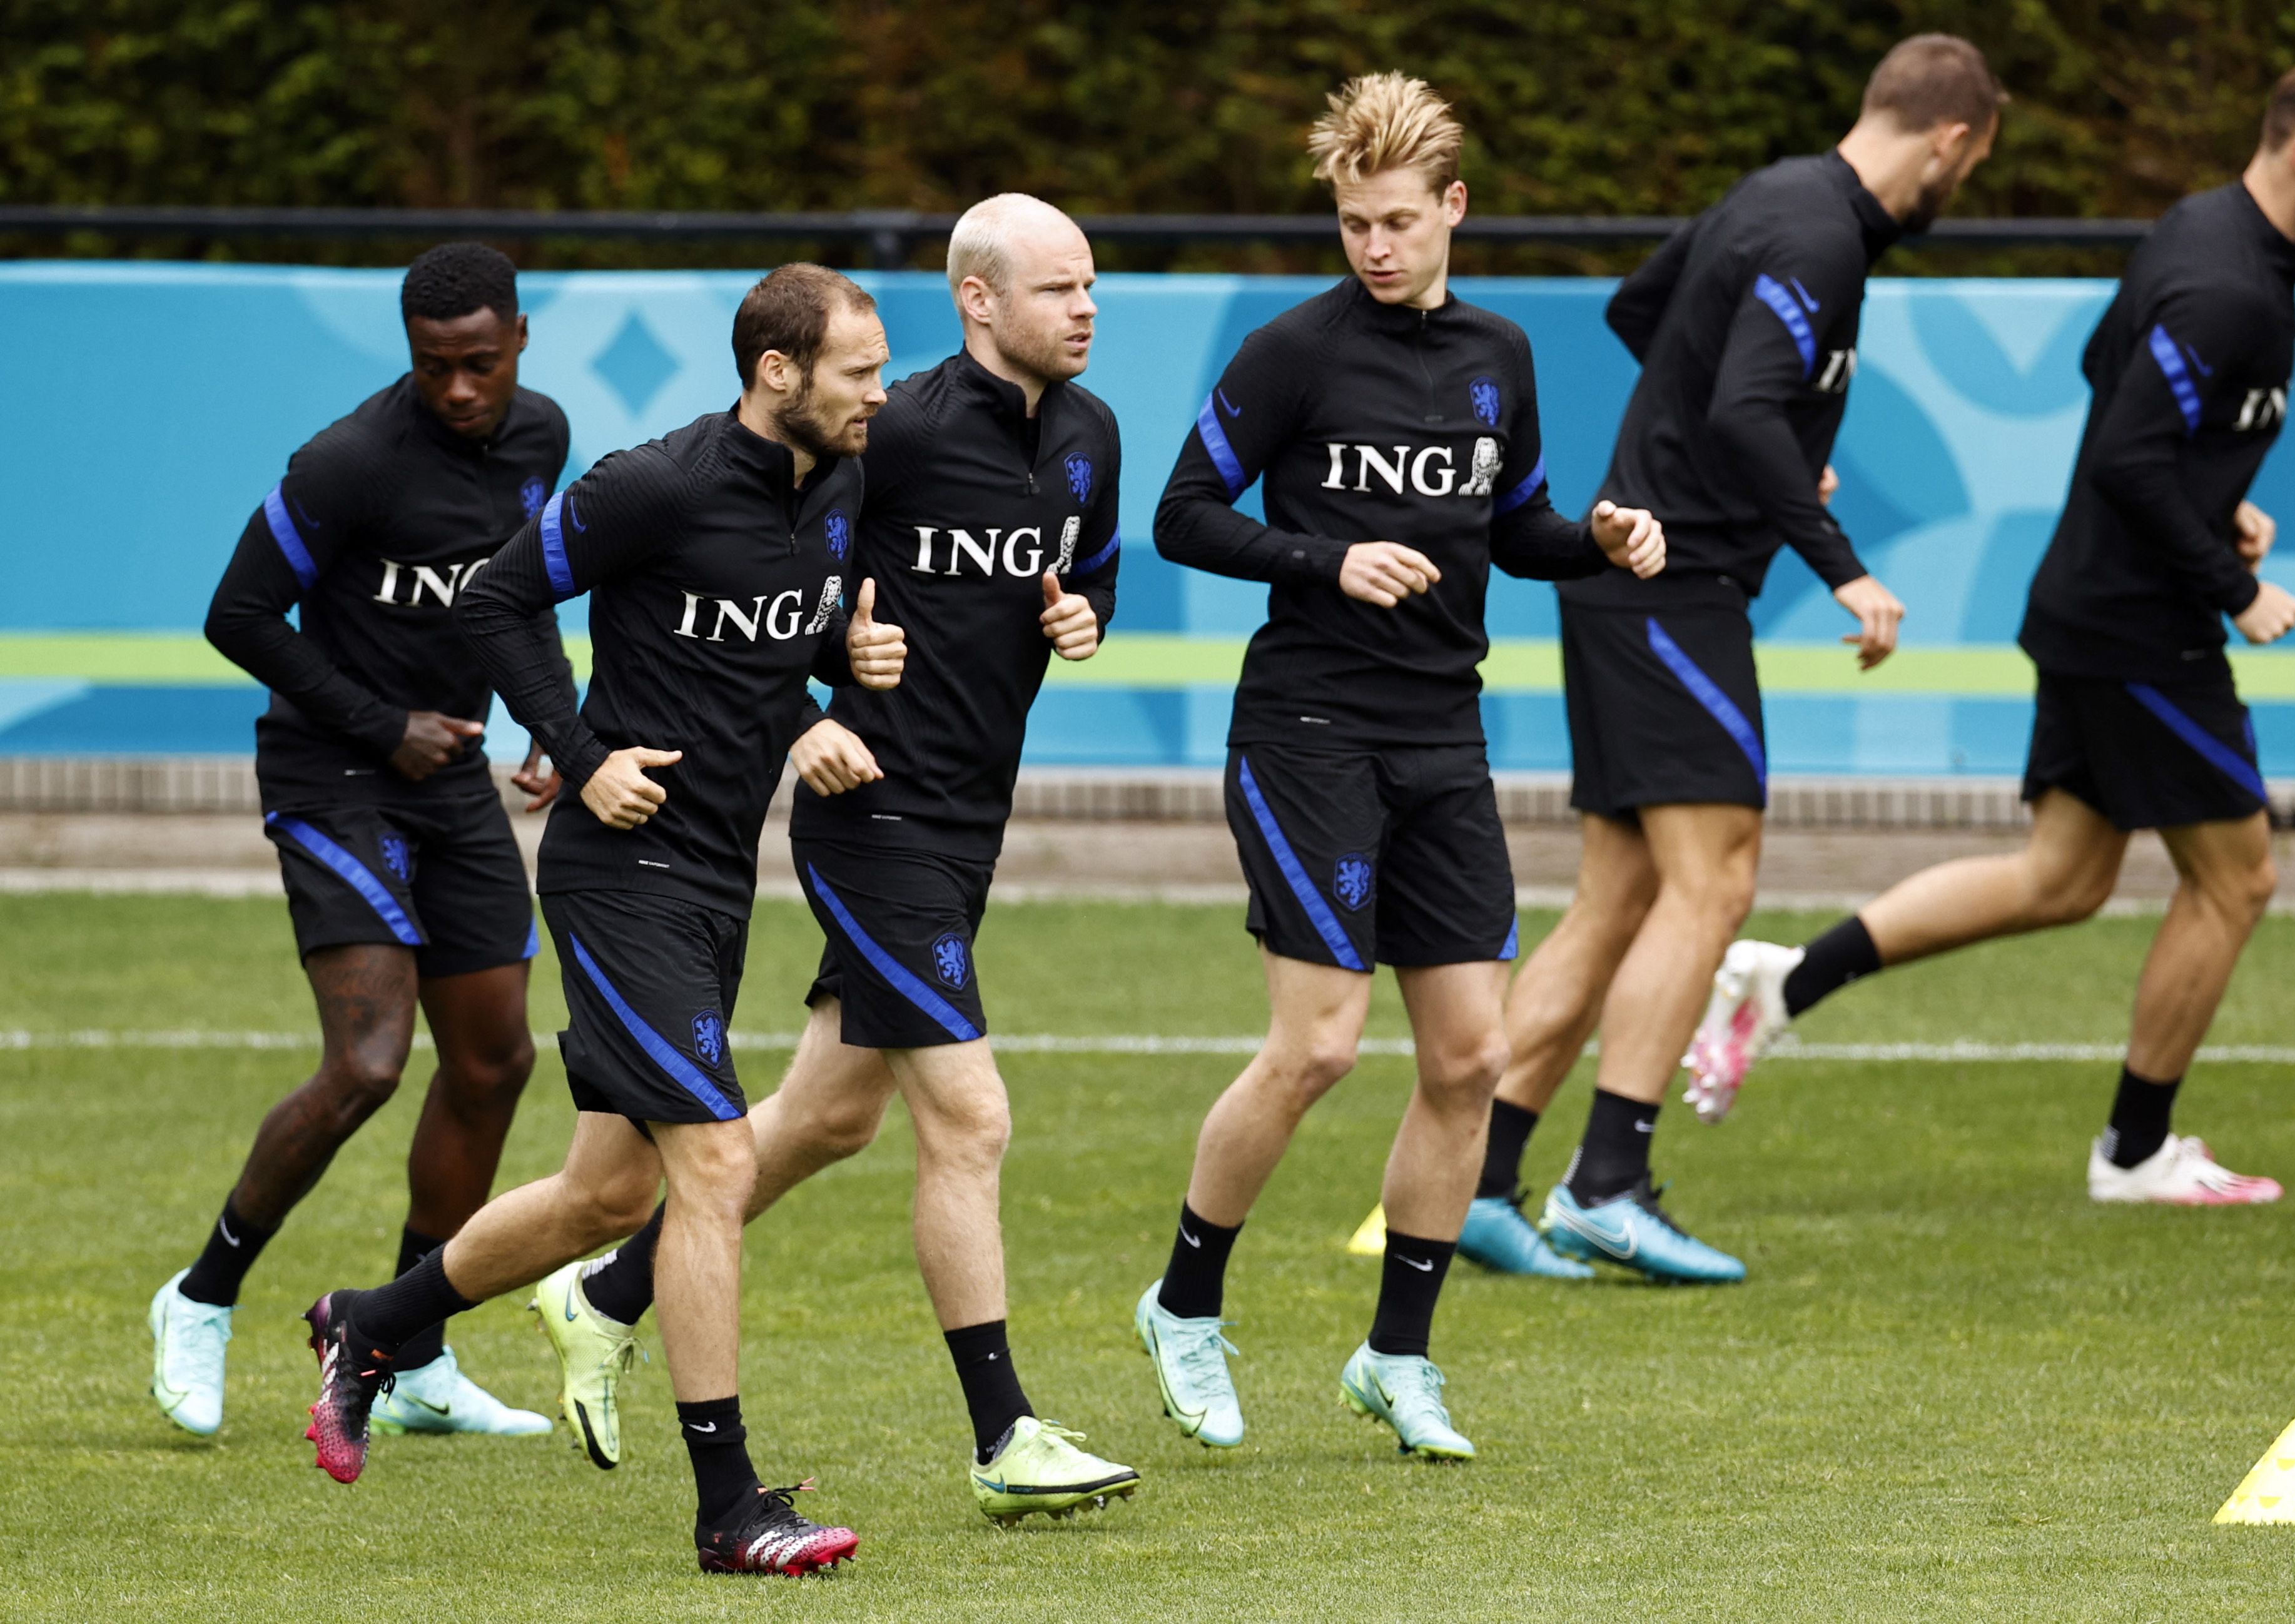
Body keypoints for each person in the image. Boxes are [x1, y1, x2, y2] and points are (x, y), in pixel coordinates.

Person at [528, 194, 1140, 1525]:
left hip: (971, 816)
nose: (1087, 310)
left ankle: (606, 1292)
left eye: (1092, 287)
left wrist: (1085, 610)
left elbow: (1088, 573)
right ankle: (1003, 1436)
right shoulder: (887, 433)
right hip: (875, 818)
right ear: (979, 300)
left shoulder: (1088, 437)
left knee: (824, 1122)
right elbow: (770, 591)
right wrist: (802, 719)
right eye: (1060, 289)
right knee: (971, 1120)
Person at [1686, 58, 2295, 1206]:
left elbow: (2106, 377)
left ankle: (1787, 981)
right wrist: (2229, 578)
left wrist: (2218, 499)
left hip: (2096, 608)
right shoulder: (2228, 282)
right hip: (2139, 627)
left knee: (2062, 877)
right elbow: (2127, 453)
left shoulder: (2206, 236)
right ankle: (2135, 1150)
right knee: (2241, 879)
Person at [296, 263, 905, 1578]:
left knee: (603, 1194)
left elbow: (754, 655)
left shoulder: (842, 486)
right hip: (618, 873)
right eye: (860, 368)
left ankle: (369, 1320)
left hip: (717, 881)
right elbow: (497, 598)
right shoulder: (655, 483)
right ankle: (731, 1506)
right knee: (718, 1169)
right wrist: (577, 753)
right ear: (777, 373)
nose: (881, 391)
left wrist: (831, 688)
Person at [1133, 72, 1668, 1462]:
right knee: (1316, 1046)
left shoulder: (1501, 355)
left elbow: (1524, 521)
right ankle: (1183, 1305)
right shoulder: (1290, 353)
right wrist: (1326, 558)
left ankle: (1396, 1356)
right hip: (1308, 730)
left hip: (1444, 736)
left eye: (1396, 222)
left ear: (1452, 211)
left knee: (1472, 1056)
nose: (1374, 246)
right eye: (1353, 223)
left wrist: (1599, 539)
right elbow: (1182, 517)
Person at [1467, 36, 2003, 1283]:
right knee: (1714, 881)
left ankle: (1481, 1182)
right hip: (1671, 588)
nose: (1960, 187)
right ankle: (1606, 1182)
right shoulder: (1819, 235)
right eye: (1971, 167)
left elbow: (1642, 314)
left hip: (1635, 575)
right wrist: (1843, 565)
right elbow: (1745, 409)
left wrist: (1746, 444)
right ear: (1952, 142)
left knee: (1622, 899)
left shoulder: (1776, 194)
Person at [152, 243, 566, 1441]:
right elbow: (236, 614)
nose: (456, 390)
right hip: (337, 772)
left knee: (494, 1063)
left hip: (447, 780)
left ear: (521, 341)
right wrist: (379, 725)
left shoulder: (541, 436)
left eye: (478, 364)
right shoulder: (349, 463)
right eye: (433, 366)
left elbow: (516, 597)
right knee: (370, 1063)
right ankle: (202, 1294)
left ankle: (409, 1349)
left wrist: (551, 719)